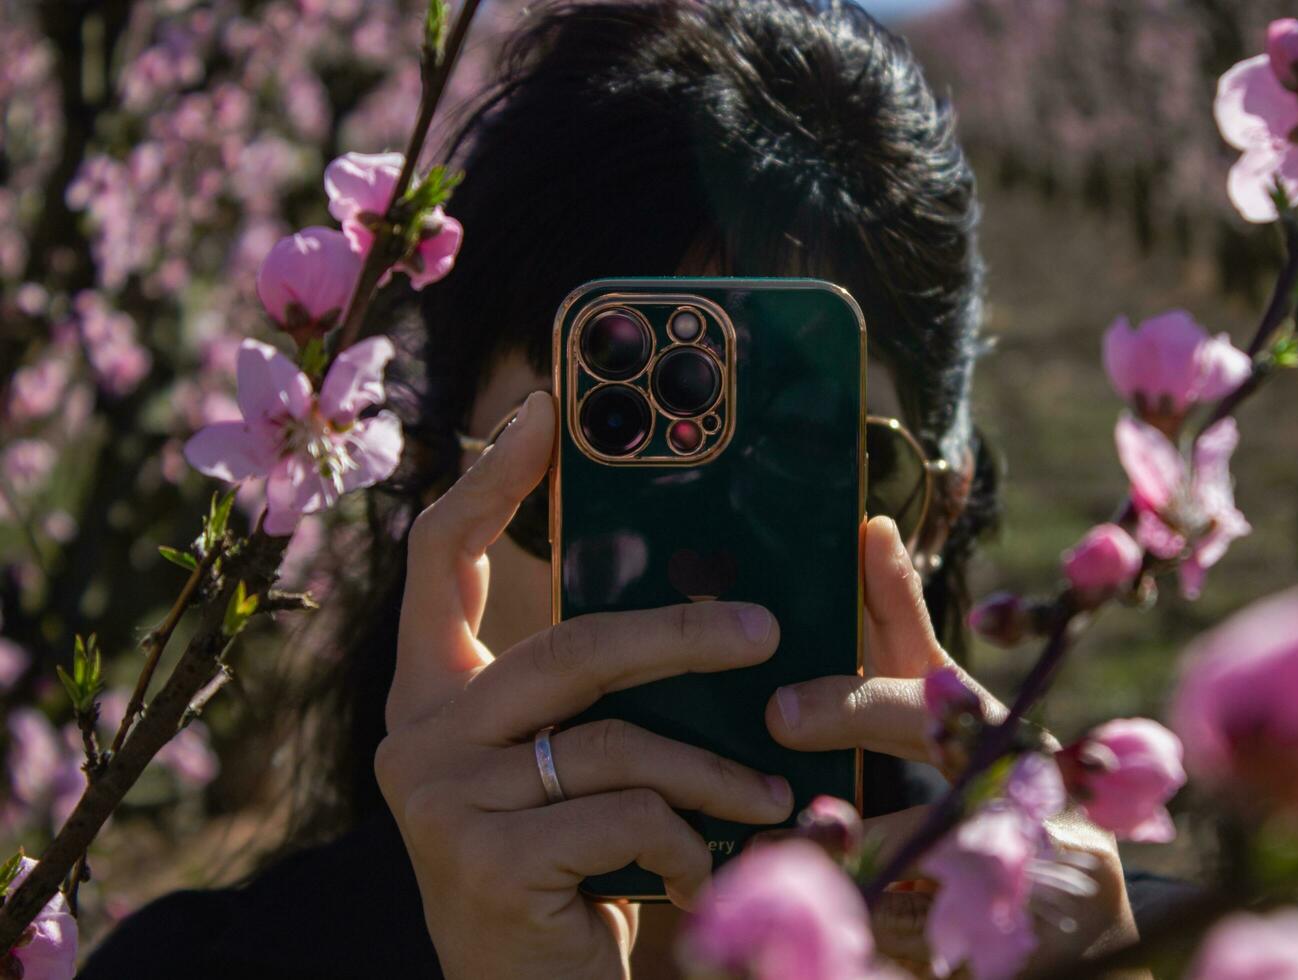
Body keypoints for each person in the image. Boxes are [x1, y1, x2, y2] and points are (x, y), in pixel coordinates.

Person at [82, 1, 1138, 976]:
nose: (694, 570)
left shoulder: (1119, 944)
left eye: (803, 463)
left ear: (936, 514)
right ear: (438, 488)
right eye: (605, 450)